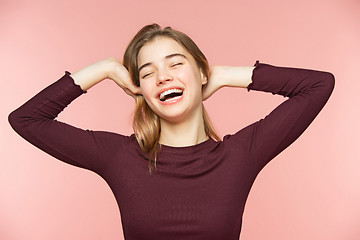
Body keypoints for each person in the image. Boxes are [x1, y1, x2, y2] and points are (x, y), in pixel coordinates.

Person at [8, 23, 335, 240]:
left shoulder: (241, 155)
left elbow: (319, 85)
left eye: (176, 63)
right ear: (140, 89)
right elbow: (26, 119)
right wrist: (105, 69)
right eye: (148, 72)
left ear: (200, 73)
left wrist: (220, 75)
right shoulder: (118, 157)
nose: (163, 77)